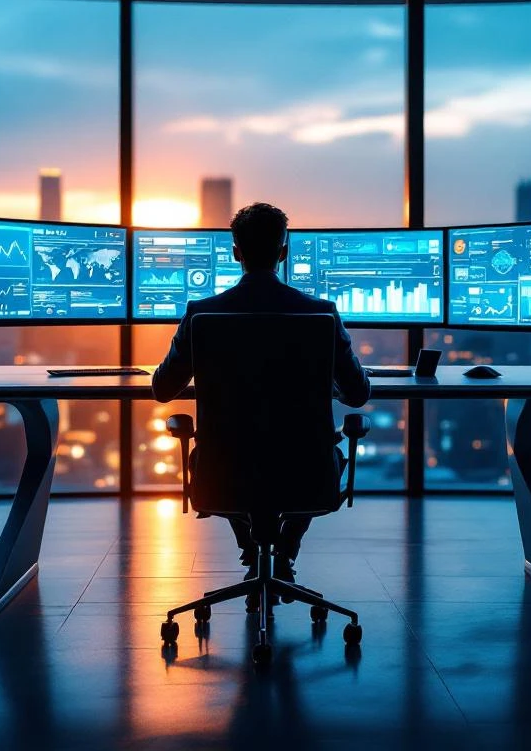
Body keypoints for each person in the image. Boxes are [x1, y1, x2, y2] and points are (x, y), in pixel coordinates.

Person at [151, 202, 370, 582]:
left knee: (224, 459)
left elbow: (163, 388)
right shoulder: (321, 313)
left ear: (236, 253)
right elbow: (357, 394)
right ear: (284, 252)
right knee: (311, 457)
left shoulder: (202, 313)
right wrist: (321, 384)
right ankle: (286, 550)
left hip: (224, 474)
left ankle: (251, 551)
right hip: (306, 474)